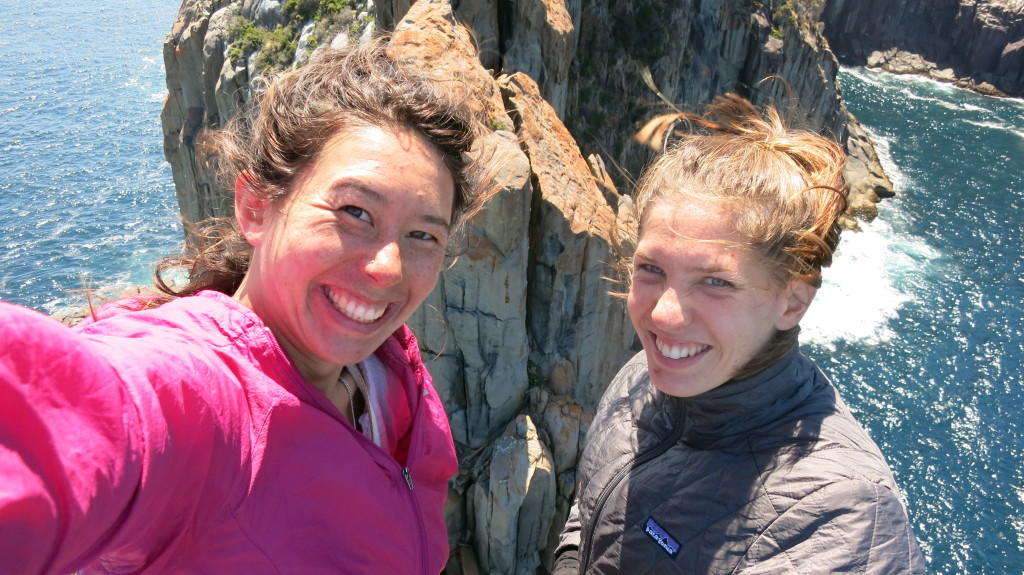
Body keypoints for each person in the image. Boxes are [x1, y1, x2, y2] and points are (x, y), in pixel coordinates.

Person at [0, 38, 491, 574]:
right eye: (355, 212)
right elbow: (77, 423)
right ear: (255, 208)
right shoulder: (206, 401)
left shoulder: (387, 369)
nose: (389, 269)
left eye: (423, 235)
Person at [553, 94, 925, 574]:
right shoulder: (643, 377)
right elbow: (590, 512)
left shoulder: (836, 515)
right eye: (650, 268)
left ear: (792, 301)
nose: (663, 316)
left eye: (715, 282)